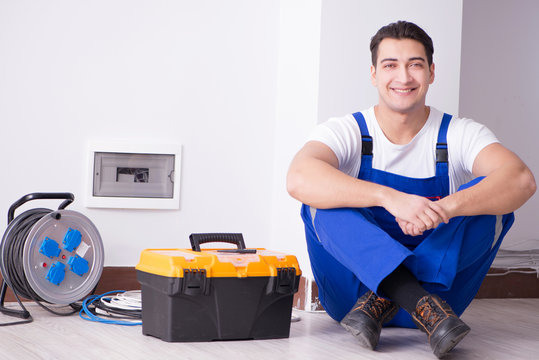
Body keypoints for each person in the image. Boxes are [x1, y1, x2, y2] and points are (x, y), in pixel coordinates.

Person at [287, 20, 536, 358]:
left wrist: (446, 208)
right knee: (317, 200)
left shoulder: (458, 133)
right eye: (390, 65)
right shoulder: (349, 130)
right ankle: (411, 297)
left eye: (415, 65)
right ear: (374, 74)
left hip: (441, 299)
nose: (403, 77)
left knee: (493, 201)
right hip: (357, 302)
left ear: (431, 73)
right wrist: (389, 198)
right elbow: (299, 177)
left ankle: (396, 297)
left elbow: (521, 180)